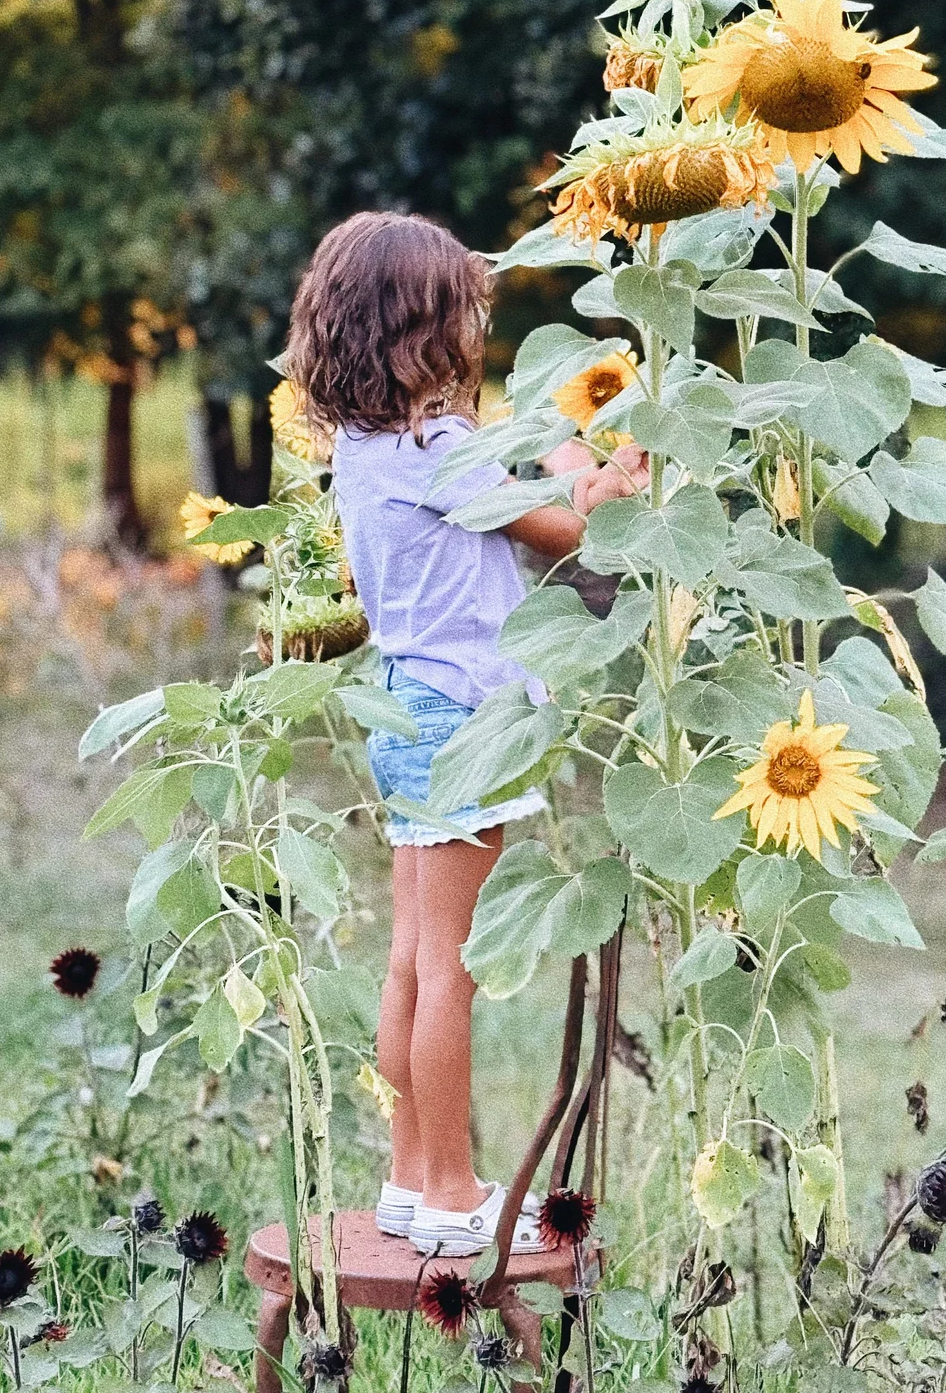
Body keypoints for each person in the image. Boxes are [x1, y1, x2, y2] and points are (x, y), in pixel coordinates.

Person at [286, 211, 648, 1256]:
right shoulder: (442, 451)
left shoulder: (367, 447)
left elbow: (524, 485)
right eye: (466, 316)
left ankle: (409, 1177)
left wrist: (542, 440)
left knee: (410, 962)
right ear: (425, 334)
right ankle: (450, 1193)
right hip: (464, 722)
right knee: (453, 970)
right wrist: (617, 470)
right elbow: (572, 527)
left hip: (410, 712)